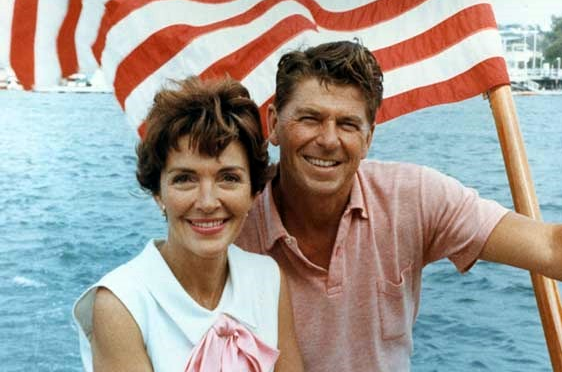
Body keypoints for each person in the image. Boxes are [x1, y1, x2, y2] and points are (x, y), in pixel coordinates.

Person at [234, 40, 562, 371]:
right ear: (274, 123)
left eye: (347, 124)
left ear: (368, 138)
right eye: (309, 118)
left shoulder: (413, 197)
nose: (328, 139)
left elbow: (550, 248)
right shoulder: (232, 219)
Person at [73, 76, 304, 372]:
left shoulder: (268, 279)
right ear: (158, 193)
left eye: (228, 178)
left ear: (254, 193)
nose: (207, 202)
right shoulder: (122, 304)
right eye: (185, 179)